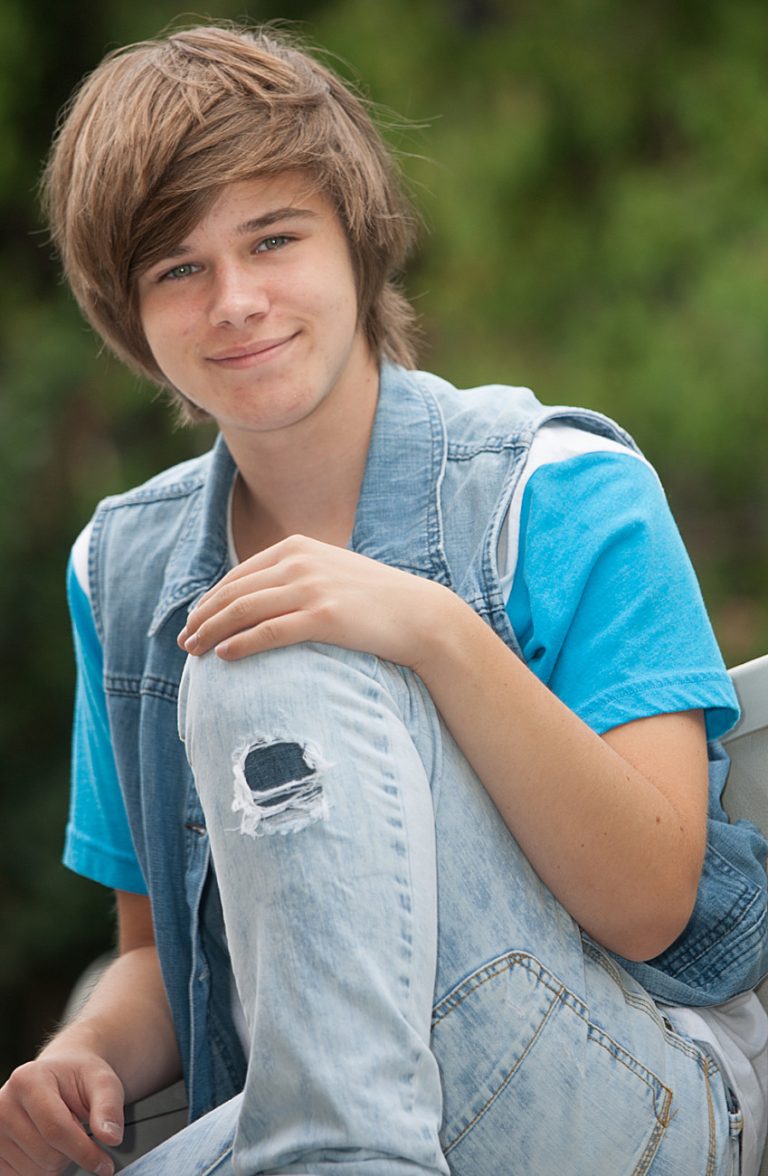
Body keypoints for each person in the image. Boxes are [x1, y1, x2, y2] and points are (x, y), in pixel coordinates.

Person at [1, 22, 767, 1176]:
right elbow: (163, 955)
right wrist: (86, 1050)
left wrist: (432, 631)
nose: (238, 300)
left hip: (638, 1089)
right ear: (131, 314)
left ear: (357, 243)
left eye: (274, 238)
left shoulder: (560, 490)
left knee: (276, 647)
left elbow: (655, 902)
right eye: (178, 268)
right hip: (332, 1114)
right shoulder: (120, 570)